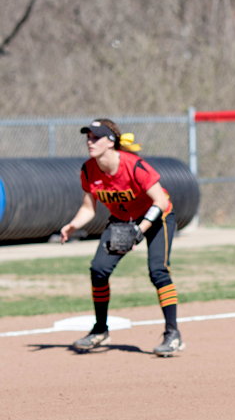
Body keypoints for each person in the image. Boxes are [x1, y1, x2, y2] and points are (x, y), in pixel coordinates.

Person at [60, 119, 185, 357]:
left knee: (158, 271)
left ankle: (173, 334)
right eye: (88, 137)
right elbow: (89, 207)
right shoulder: (88, 170)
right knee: (98, 270)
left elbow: (161, 201)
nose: (90, 141)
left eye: (96, 137)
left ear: (110, 142)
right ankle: (100, 329)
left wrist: (141, 229)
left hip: (158, 217)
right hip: (122, 221)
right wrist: (73, 225)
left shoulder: (134, 166)